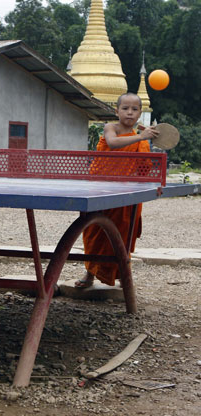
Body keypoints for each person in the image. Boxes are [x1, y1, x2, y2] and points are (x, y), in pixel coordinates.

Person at [78, 92, 159, 288]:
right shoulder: (110, 128)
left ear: (140, 113)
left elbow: (144, 167)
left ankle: (123, 274)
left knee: (123, 236)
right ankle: (89, 273)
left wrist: (153, 184)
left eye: (134, 109)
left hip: (127, 193)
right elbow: (113, 144)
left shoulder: (140, 138)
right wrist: (142, 135)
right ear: (117, 111)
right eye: (125, 108)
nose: (129, 113)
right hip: (101, 189)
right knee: (94, 232)